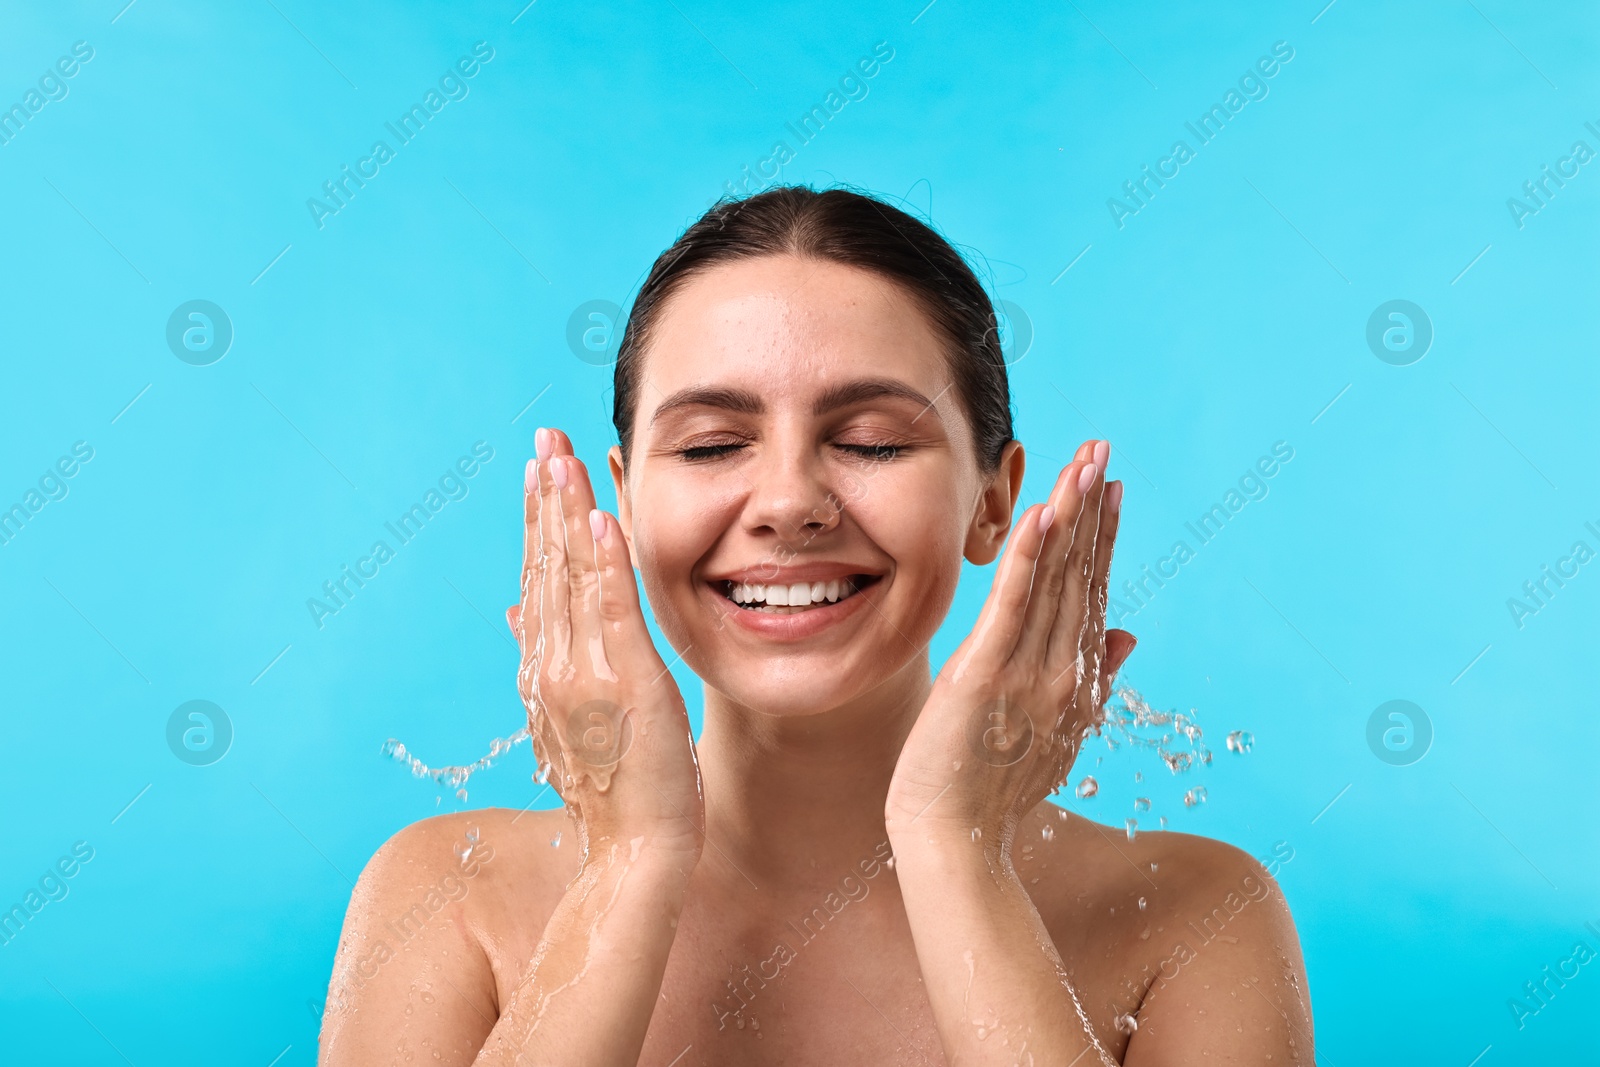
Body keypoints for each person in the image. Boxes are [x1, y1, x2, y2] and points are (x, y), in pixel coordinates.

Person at [317, 186, 1312, 1065]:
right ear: (620, 503)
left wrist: (954, 846)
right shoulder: (443, 898)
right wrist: (630, 864)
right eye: (710, 444)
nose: (787, 501)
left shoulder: (1197, 915)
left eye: (871, 440)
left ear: (991, 501)